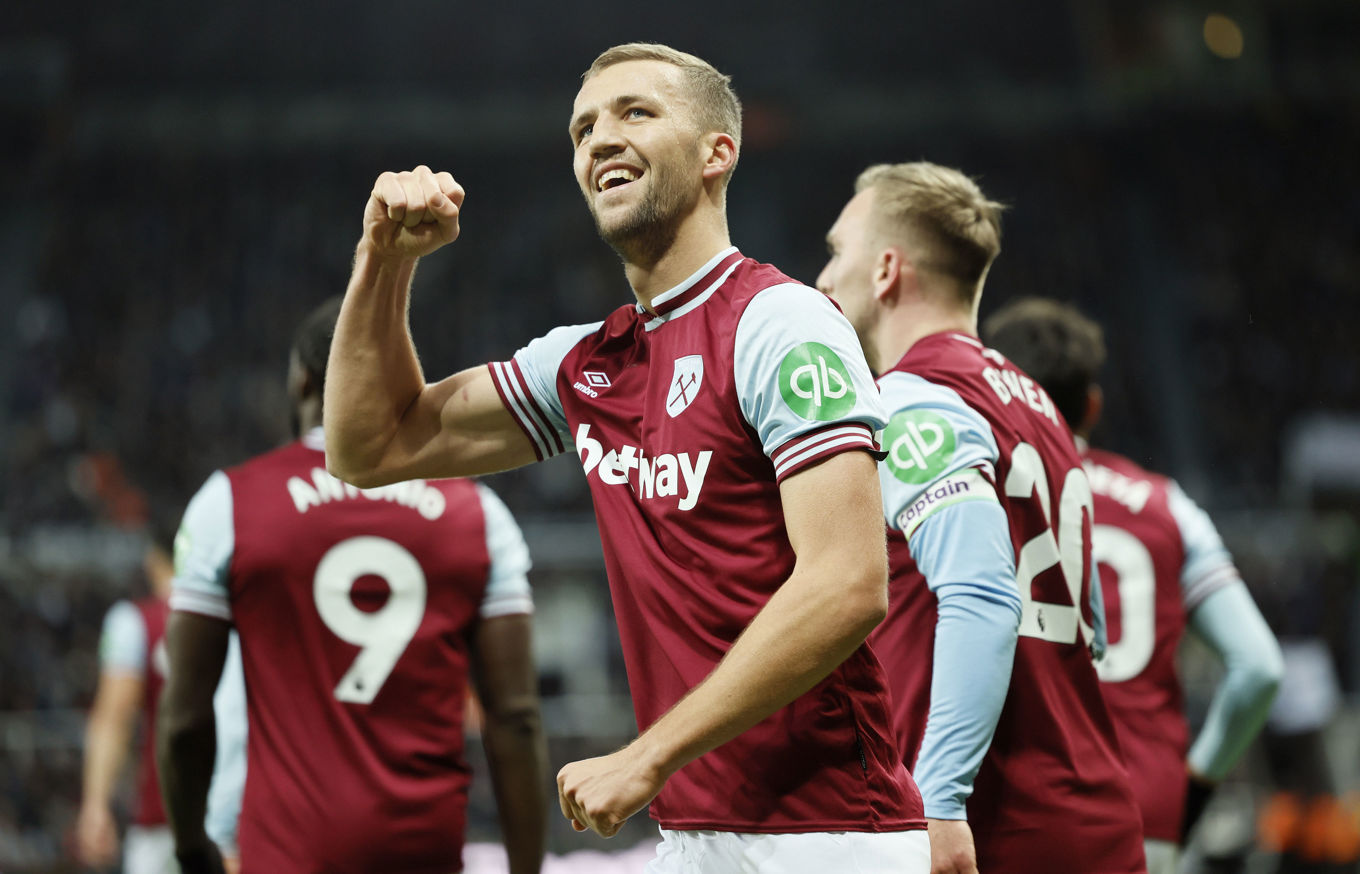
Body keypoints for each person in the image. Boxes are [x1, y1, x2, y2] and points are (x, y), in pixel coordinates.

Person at [324, 43, 928, 873]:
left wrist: (648, 755)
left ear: (719, 152)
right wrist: (384, 258)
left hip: (827, 837)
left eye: (635, 112)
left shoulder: (782, 324)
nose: (599, 138)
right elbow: (372, 446)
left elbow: (847, 585)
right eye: (583, 128)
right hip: (695, 835)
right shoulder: (590, 365)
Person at [817, 162, 1147, 874]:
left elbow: (981, 595)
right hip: (1098, 815)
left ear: (885, 271)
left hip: (996, 829)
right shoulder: (1035, 406)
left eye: (838, 252)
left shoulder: (910, 400)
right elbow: (1088, 624)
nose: (822, 279)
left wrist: (939, 797)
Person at [156, 297, 548, 874]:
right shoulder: (478, 515)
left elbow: (185, 716)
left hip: (283, 856)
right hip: (424, 855)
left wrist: (192, 849)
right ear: (403, 381)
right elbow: (514, 719)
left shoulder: (231, 504)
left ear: (301, 382)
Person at [982, 297, 1284, 874]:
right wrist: (1195, 786)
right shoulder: (1169, 505)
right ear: (1092, 405)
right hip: (1148, 808)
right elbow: (1260, 668)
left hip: (1022, 800)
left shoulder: (981, 489)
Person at [76, 532, 177, 873]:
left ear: (154, 560)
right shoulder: (244, 616)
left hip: (165, 822)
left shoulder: (135, 623)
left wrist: (95, 806)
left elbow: (114, 719)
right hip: (250, 819)